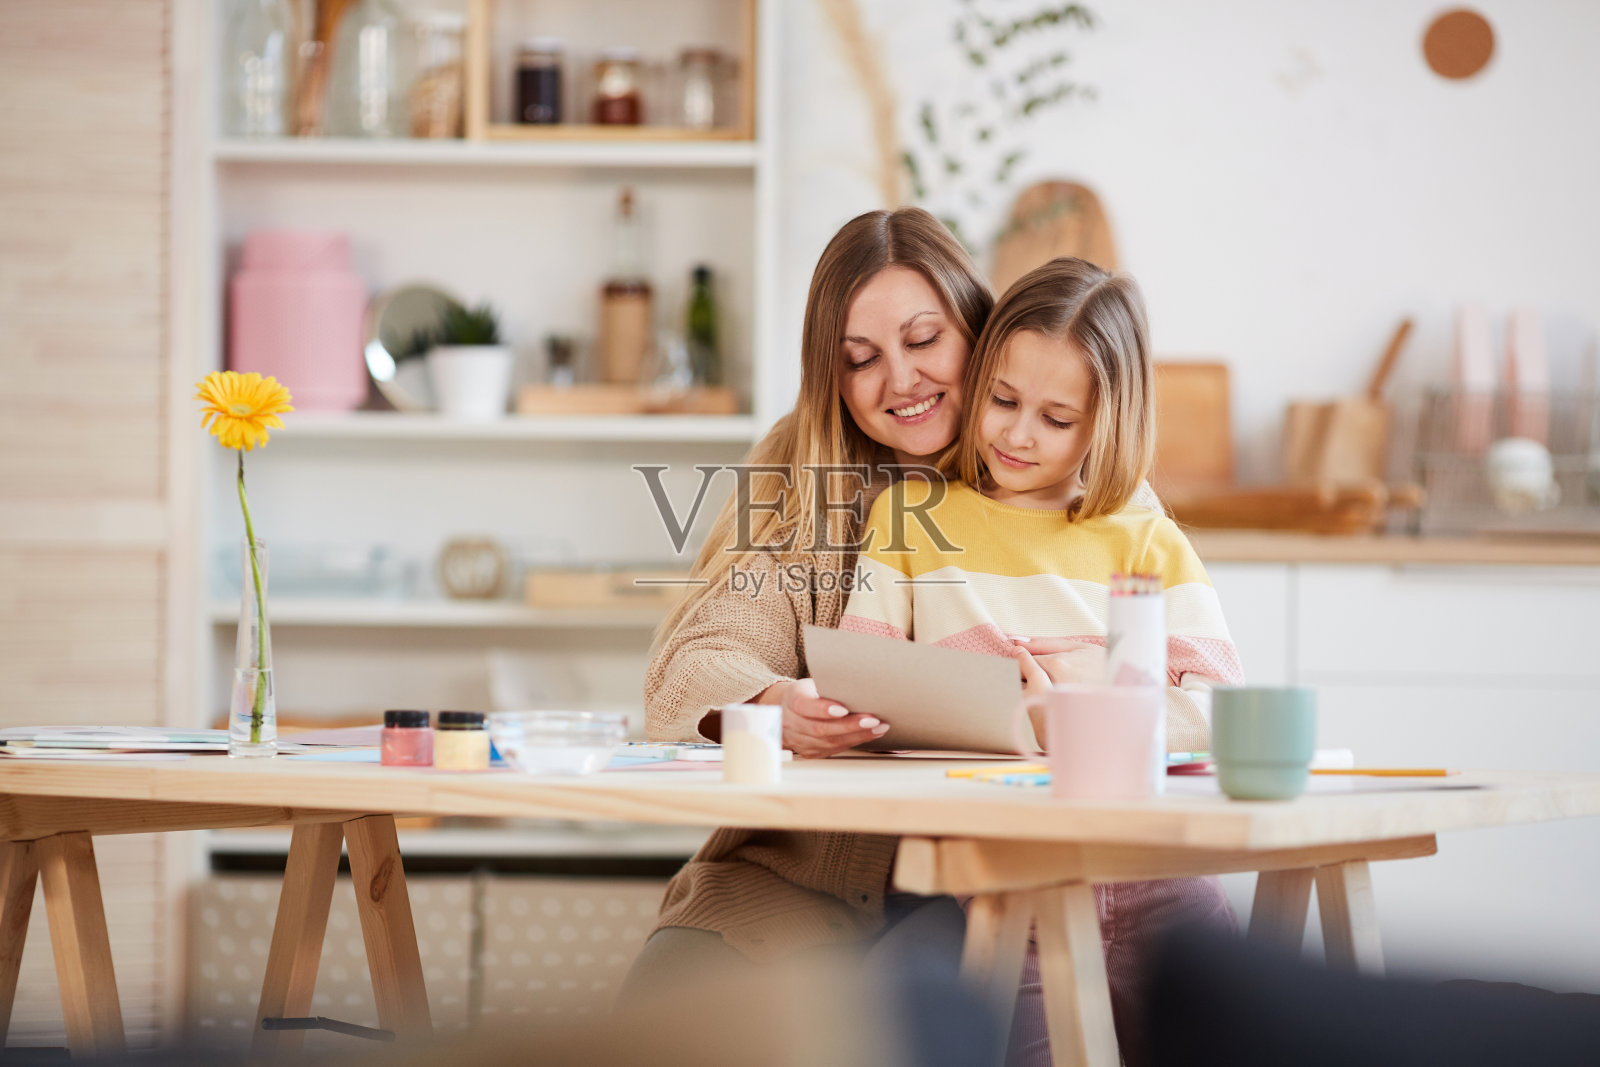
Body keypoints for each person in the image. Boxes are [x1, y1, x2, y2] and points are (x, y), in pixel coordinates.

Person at [839, 256, 1243, 1064]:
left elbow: (1219, 713)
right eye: (1003, 400)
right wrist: (1003, 710)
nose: (1019, 434)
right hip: (1006, 888)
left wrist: (1093, 700)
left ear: (1107, 424)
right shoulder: (911, 519)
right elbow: (866, 695)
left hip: (1164, 875)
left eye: (1058, 419)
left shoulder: (1144, 536)